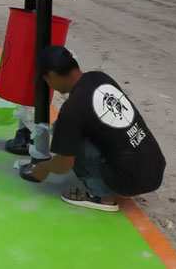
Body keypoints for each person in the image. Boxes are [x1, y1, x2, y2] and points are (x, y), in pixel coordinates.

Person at [19, 46, 166, 212]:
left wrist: (44, 168)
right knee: (71, 131)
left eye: (46, 80)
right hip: (155, 167)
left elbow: (65, 164)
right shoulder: (100, 78)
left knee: (67, 138)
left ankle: (100, 196)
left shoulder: (72, 109)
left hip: (131, 182)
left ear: (52, 75)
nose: (48, 84)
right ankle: (118, 178)